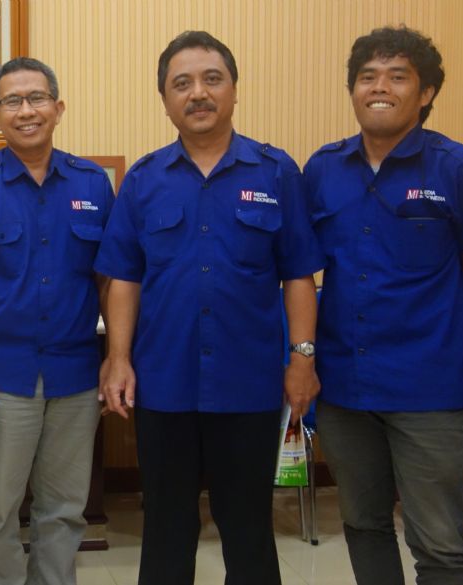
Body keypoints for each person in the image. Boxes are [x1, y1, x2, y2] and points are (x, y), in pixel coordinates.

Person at [95, 31, 324, 585]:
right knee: (166, 528)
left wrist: (302, 358)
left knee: (247, 529)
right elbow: (124, 278)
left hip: (248, 384)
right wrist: (118, 359)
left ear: (234, 90)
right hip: (164, 384)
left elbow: (299, 274)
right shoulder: (145, 179)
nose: (198, 93)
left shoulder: (275, 171)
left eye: (211, 79)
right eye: (182, 84)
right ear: (165, 100)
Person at [305, 26, 463, 585]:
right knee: (362, 523)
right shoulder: (322, 169)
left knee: (438, 541)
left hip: (430, 387)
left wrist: (426, 318)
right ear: (353, 90)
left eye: (397, 76)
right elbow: (306, 266)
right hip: (345, 384)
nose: (379, 88)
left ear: (427, 92)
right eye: (367, 77)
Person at [0, 57, 113, 585]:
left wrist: (119, 359)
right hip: (1, 378)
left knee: (64, 509)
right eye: (12, 101)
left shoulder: (92, 184)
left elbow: (111, 280)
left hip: (76, 374)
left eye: (36, 98)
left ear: (58, 108)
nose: (26, 110)